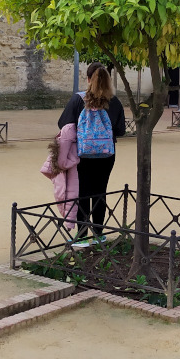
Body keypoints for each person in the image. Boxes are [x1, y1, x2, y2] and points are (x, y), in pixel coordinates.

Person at [58, 62, 126, 244]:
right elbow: (120, 130)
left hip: (82, 153)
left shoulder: (78, 100)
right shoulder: (114, 102)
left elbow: (63, 124)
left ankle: (81, 236)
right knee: (100, 191)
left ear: (88, 79)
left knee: (82, 192)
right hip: (107, 154)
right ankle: (98, 233)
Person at [40, 123, 79, 229]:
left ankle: (78, 230)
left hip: (72, 169)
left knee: (69, 194)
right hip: (102, 158)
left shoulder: (69, 129)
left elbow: (62, 163)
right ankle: (97, 232)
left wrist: (74, 160)